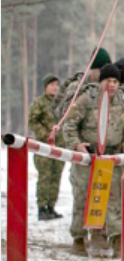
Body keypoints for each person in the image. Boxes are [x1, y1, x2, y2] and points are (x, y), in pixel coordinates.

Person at [62, 63, 124, 257]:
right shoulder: (87, 100)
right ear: (101, 82)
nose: (112, 85)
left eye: (115, 81)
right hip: (87, 159)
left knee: (113, 200)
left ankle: (117, 241)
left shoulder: (122, 101)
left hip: (110, 159)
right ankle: (78, 239)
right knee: (82, 197)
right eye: (108, 81)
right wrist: (77, 144)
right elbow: (69, 125)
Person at [29, 75, 66, 221]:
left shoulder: (61, 104)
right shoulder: (39, 103)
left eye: (57, 85)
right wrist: (45, 135)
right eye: (51, 85)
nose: (55, 87)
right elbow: (33, 121)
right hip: (44, 147)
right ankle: (41, 208)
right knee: (45, 177)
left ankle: (51, 206)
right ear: (45, 87)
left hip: (59, 146)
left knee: (56, 176)